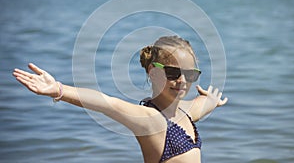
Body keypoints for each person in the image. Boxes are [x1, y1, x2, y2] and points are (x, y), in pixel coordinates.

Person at [13, 35, 228, 163]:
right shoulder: (150, 120)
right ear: (153, 72)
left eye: (190, 75)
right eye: (173, 73)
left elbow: (201, 106)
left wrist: (211, 100)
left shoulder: (185, 113)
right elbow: (107, 103)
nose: (182, 80)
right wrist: (59, 89)